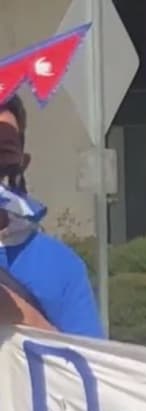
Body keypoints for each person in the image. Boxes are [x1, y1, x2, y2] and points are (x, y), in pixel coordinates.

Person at [0, 94, 103, 338]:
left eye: (4, 149)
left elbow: (85, 359)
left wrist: (21, 316)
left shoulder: (61, 266)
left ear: (23, 162)